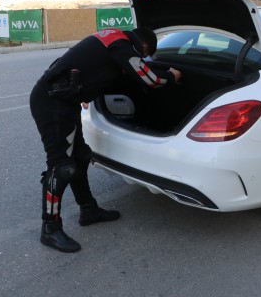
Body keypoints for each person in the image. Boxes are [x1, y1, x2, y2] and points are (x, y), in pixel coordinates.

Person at [30, 26, 181, 253]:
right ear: (144, 46)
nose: (143, 58)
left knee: (80, 157)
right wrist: (171, 76)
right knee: (61, 167)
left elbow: (80, 65)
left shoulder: (112, 37)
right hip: (52, 104)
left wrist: (79, 89)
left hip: (62, 99)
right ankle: (50, 228)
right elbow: (150, 79)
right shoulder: (122, 45)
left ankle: (88, 210)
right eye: (144, 55)